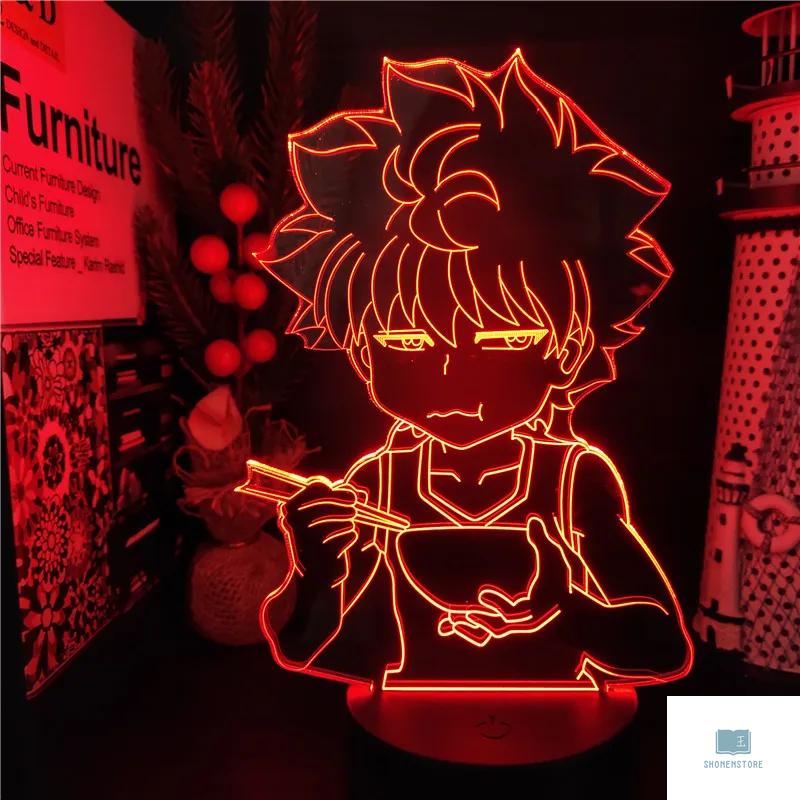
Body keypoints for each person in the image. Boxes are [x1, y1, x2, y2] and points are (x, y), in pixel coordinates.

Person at [256, 51, 693, 691]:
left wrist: (568, 613)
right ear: (361, 351)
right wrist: (317, 575)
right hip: (413, 720)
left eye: (504, 338)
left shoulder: (572, 480)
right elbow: (313, 653)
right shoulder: (377, 485)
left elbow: (663, 646)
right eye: (406, 339)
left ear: (570, 345)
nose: (450, 373)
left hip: (559, 719)